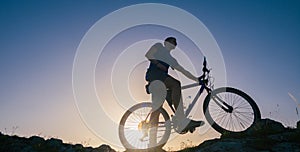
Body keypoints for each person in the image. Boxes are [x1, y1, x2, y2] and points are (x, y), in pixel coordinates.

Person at [145, 37, 204, 143]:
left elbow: (183, 70)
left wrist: (196, 79)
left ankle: (153, 144)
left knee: (157, 110)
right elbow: (148, 55)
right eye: (172, 41)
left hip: (161, 82)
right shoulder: (158, 46)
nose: (174, 44)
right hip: (155, 76)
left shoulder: (171, 59)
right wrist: (158, 64)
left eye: (175, 43)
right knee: (176, 84)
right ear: (166, 42)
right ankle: (181, 119)